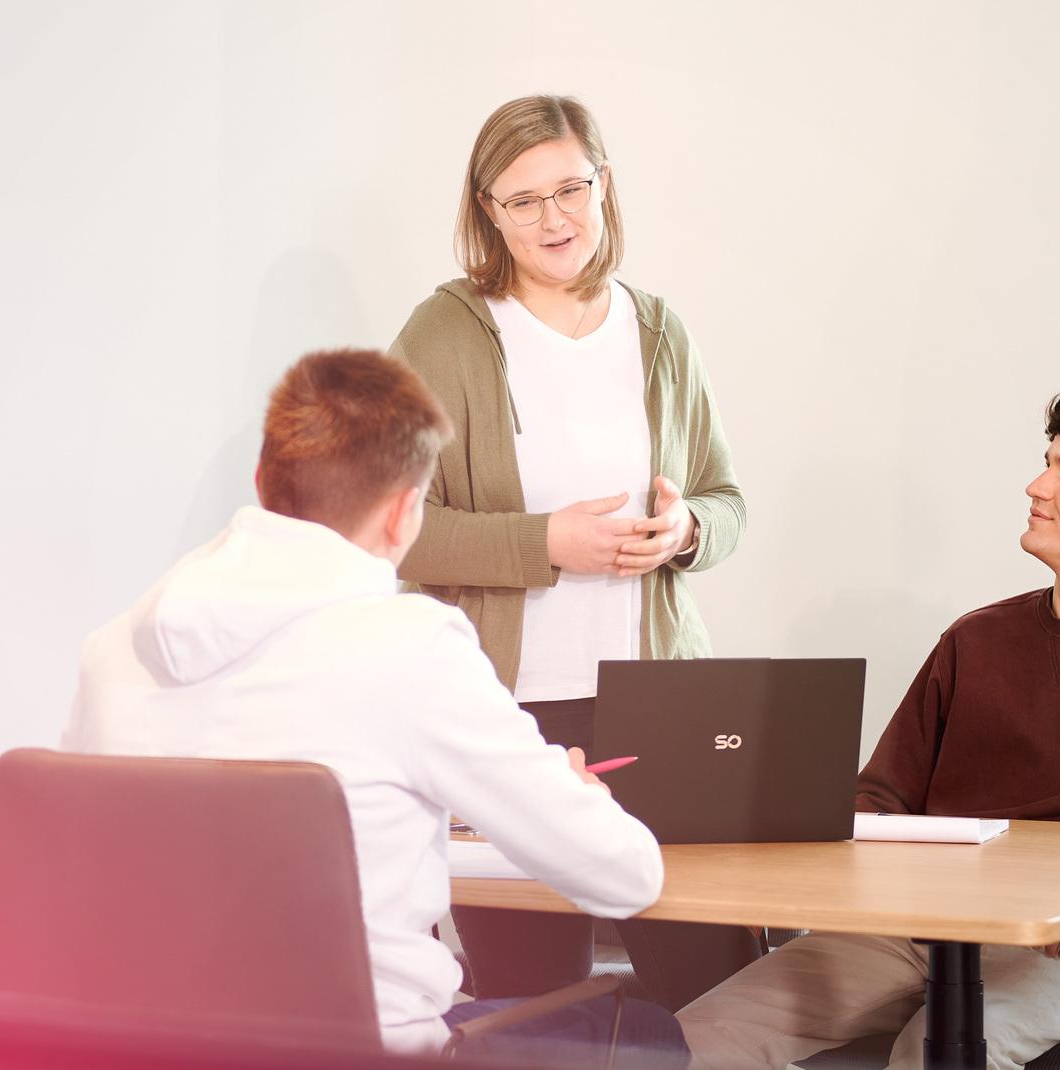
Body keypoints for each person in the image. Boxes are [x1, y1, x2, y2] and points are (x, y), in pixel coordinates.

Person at [62, 349, 688, 1068]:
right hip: (369, 1054)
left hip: (134, 1052)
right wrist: (579, 801)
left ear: (263, 480)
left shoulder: (110, 652)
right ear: (404, 513)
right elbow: (626, 876)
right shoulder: (411, 650)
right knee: (648, 1031)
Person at [675, 381, 1060, 1070]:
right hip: (905, 932)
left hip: (1059, 954)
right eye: (1047, 462)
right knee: (709, 1033)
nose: (1036, 486)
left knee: (942, 1053)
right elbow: (880, 799)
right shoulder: (974, 642)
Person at [388, 94, 756, 1014]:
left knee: (715, 991)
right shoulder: (449, 332)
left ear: (605, 185)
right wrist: (542, 542)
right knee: (530, 1003)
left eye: (570, 188)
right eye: (522, 200)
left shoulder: (659, 329)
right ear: (487, 211)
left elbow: (727, 499)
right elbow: (391, 524)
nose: (554, 218)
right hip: (510, 718)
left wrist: (687, 531)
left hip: (657, 709)